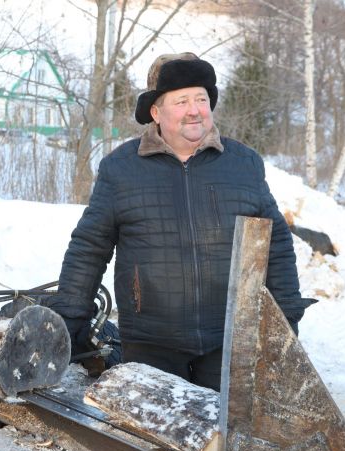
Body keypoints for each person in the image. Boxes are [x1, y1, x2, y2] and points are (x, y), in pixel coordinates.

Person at [46, 52, 311, 390]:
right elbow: (89, 249)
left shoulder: (244, 164)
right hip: (151, 342)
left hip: (229, 339)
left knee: (223, 437)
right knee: (153, 439)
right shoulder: (121, 169)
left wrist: (286, 321)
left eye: (201, 99)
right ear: (156, 112)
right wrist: (67, 322)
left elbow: (276, 244)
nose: (194, 110)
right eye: (181, 100)